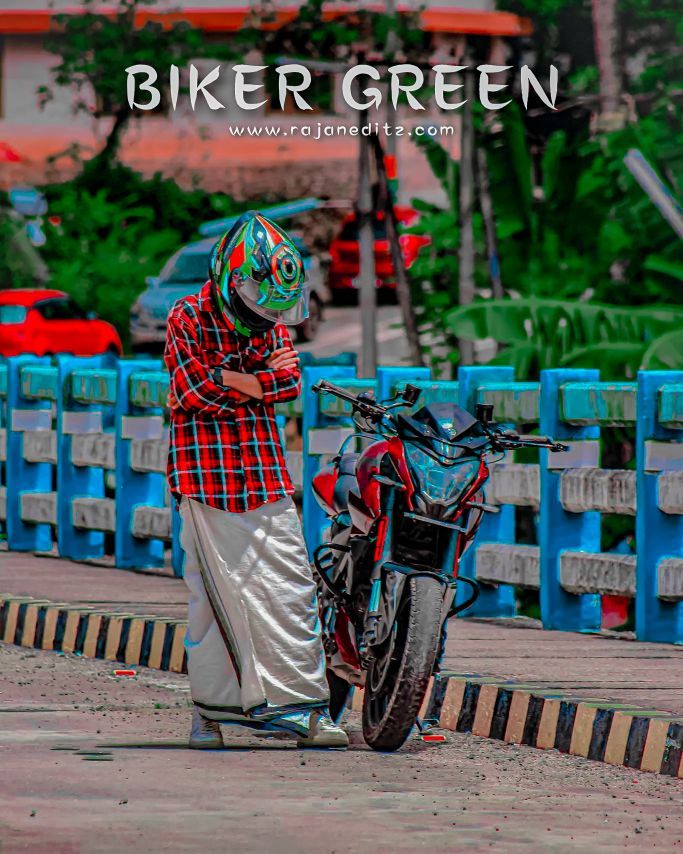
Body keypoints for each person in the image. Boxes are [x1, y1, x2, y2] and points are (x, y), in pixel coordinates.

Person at [164, 211, 348, 749]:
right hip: (205, 478)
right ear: (232, 280)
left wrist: (230, 378)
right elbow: (192, 390)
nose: (267, 319)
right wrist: (252, 383)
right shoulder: (187, 316)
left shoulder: (267, 324)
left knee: (290, 587)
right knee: (212, 600)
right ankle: (211, 715)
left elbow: (289, 381)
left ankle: (304, 712)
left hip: (264, 475)